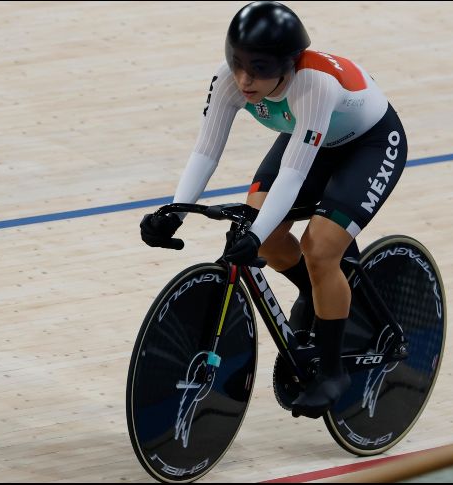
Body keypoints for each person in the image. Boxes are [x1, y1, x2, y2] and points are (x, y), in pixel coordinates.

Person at [140, 1, 408, 419]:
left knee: (320, 249)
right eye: (238, 63)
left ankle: (332, 371)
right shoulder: (228, 81)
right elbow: (206, 151)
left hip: (370, 145)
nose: (245, 79)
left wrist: (256, 234)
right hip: (311, 137)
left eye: (259, 68)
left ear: (287, 65)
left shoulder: (314, 85)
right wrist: (174, 212)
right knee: (263, 233)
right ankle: (318, 293)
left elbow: (293, 173)